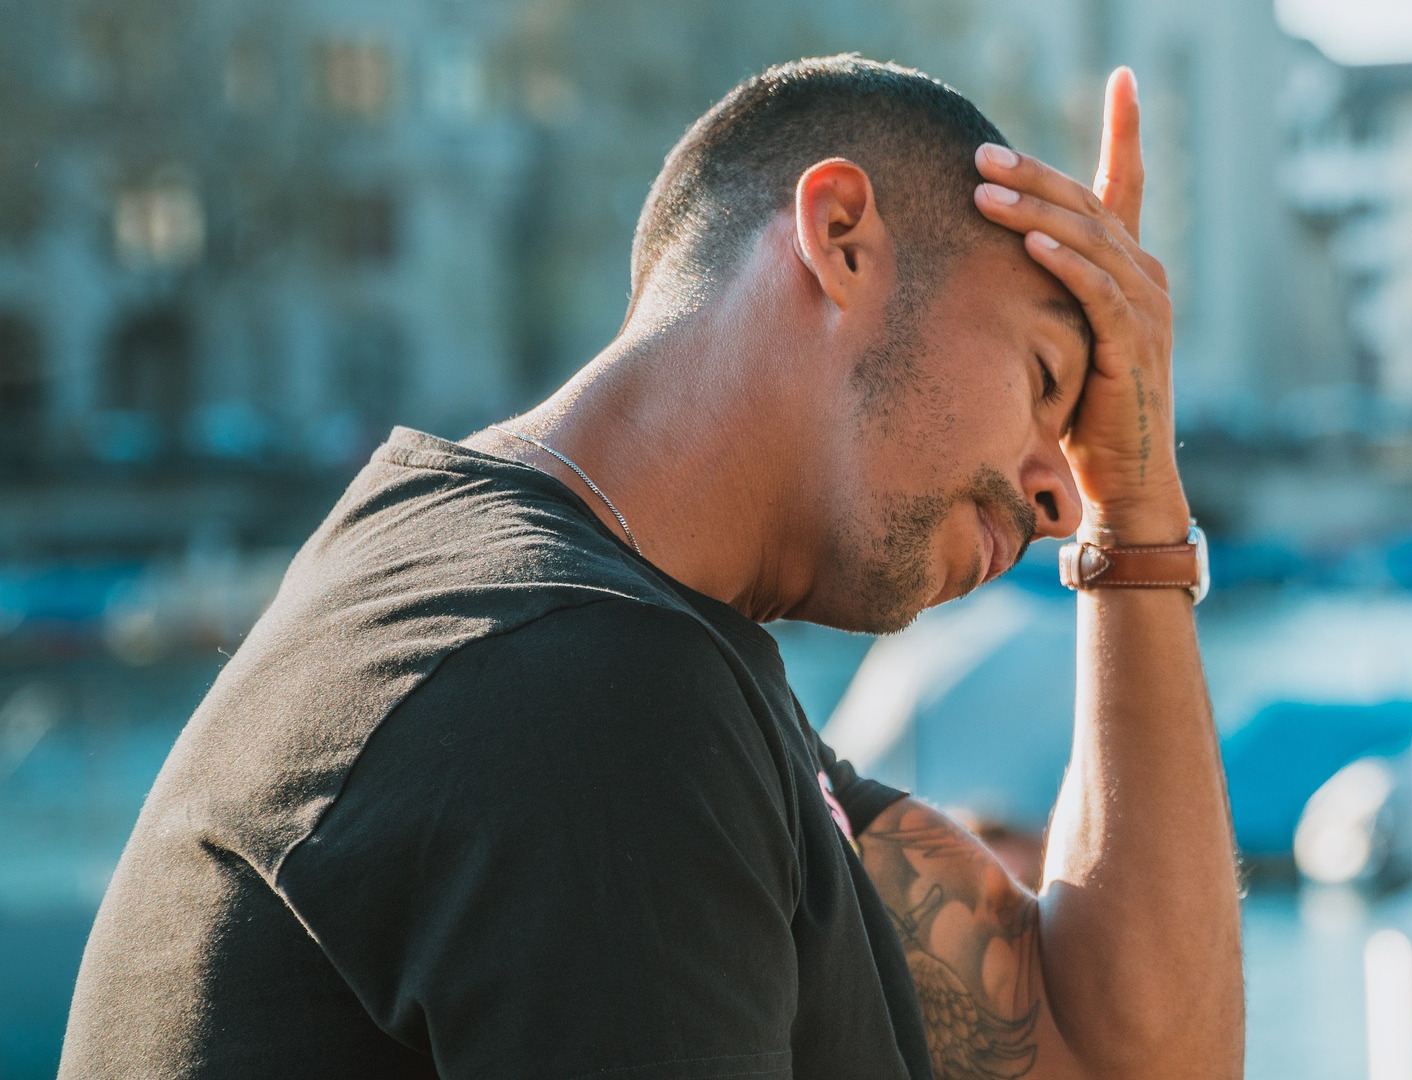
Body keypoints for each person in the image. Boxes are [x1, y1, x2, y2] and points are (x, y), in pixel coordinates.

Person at [61, 55, 1243, 1080]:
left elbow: (1111, 1051)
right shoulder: (576, 685)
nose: (1059, 490)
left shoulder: (569, 629)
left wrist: (1137, 511)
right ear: (838, 239)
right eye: (1043, 379)